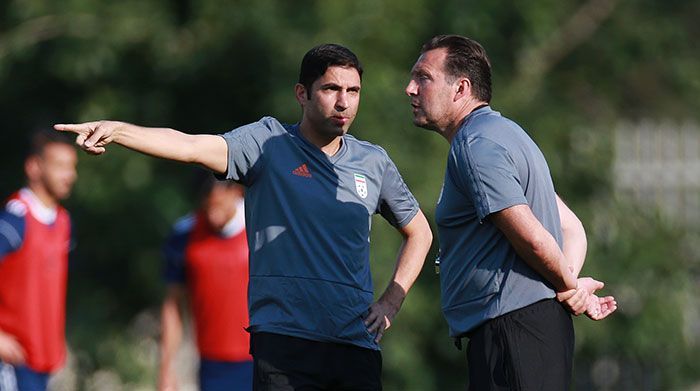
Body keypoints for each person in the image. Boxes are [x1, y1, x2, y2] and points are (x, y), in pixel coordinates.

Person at [56, 43, 433, 390]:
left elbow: (420, 232)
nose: (343, 103)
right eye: (331, 89)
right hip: (285, 344)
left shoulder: (373, 162)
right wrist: (119, 130)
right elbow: (189, 145)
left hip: (355, 346)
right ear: (302, 93)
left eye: (353, 92)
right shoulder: (266, 144)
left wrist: (390, 302)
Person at [405, 35, 616, 390]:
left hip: (511, 332)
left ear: (461, 88)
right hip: (528, 331)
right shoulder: (507, 134)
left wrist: (567, 287)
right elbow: (573, 227)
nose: (410, 88)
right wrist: (571, 285)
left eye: (423, 77)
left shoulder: (476, 147)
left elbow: (534, 240)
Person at [0, 130, 78, 391]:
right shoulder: (15, 219)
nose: (69, 175)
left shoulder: (63, 221)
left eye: (72, 167)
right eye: (60, 166)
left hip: (41, 361)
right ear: (34, 167)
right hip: (11, 361)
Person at [159, 175, 252, 390]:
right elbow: (173, 303)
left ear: (236, 192)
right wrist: (166, 368)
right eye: (207, 205)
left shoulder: (262, 228)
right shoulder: (185, 235)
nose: (213, 214)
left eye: (218, 204)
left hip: (262, 358)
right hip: (212, 363)